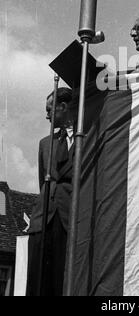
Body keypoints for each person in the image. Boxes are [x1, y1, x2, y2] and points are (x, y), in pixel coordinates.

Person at [26, 87, 74, 296]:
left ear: (63, 107)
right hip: (41, 221)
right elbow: (42, 184)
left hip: (68, 221)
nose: (46, 115)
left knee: (61, 281)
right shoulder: (45, 144)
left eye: (49, 110)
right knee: (36, 282)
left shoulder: (87, 138)